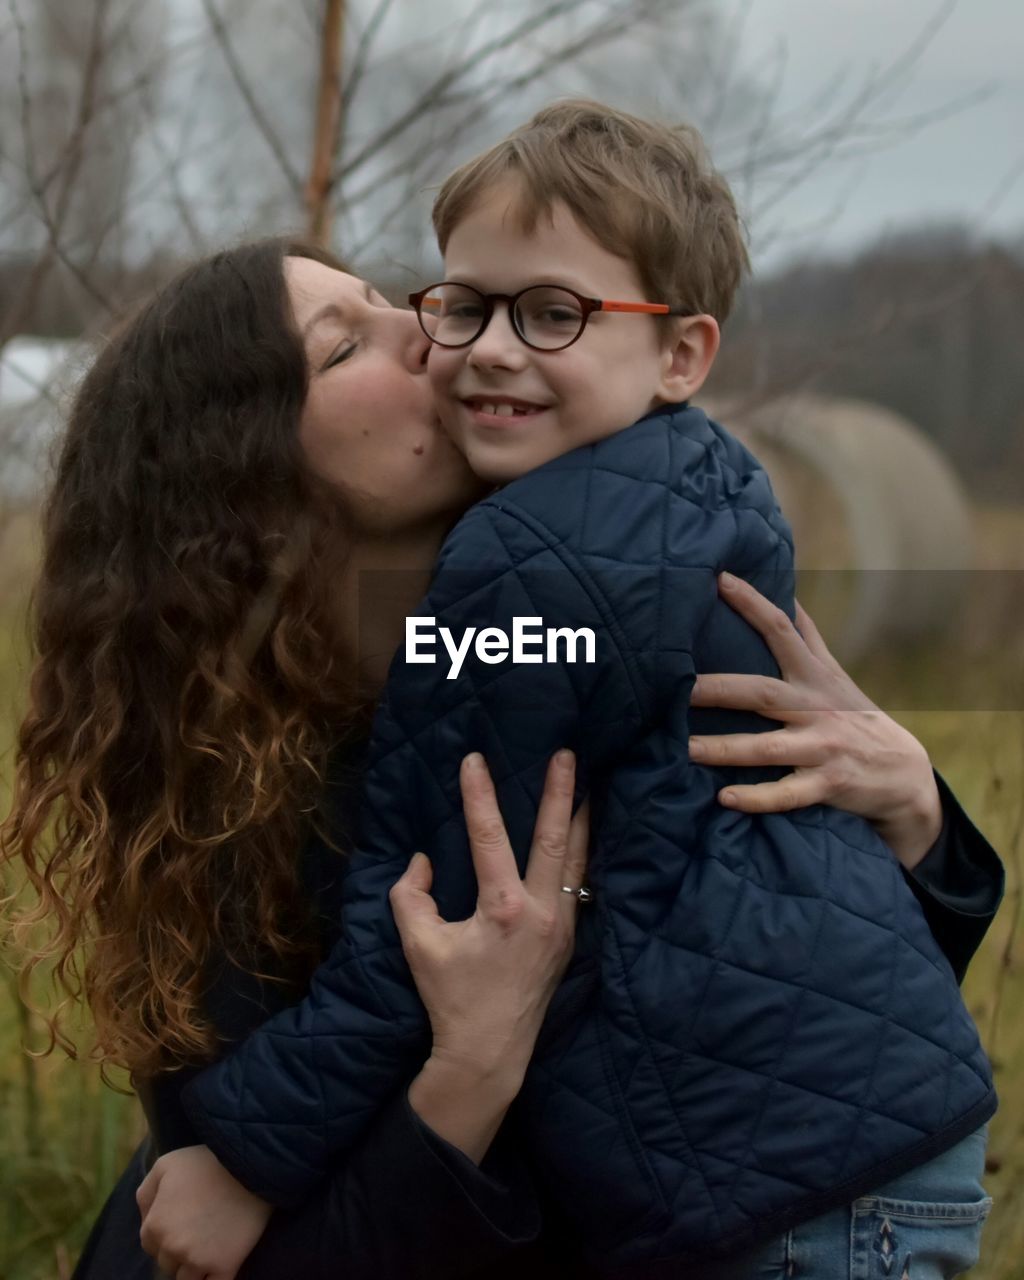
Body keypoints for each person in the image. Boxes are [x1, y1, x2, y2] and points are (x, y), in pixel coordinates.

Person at [154, 103, 997, 1279]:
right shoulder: (243, 785)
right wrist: (457, 1079)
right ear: (243, 459)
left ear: (681, 356)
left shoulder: (538, 567)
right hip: (824, 1170)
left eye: (551, 314)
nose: (457, 345)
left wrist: (916, 815)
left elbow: (761, 917)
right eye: (431, 311)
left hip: (781, 1193)